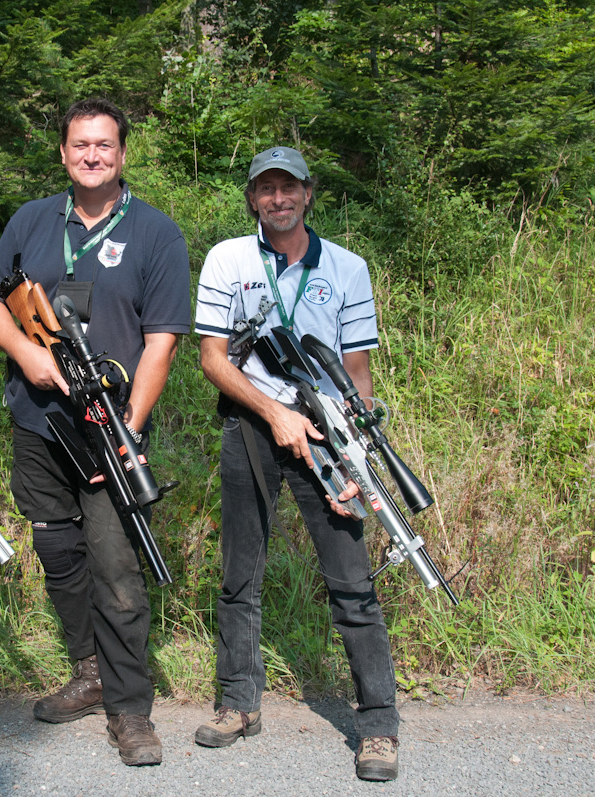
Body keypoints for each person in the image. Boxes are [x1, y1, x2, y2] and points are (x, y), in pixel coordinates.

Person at [0, 98, 190, 766]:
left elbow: (163, 341)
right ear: (62, 153)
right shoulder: (33, 219)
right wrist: (28, 353)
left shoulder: (156, 233)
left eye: (105, 145)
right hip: (37, 423)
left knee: (118, 564)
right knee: (59, 549)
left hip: (108, 423)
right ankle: (89, 669)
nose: (92, 155)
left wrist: (127, 427)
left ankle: (130, 709)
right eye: (80, 145)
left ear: (122, 154)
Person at [192, 146, 400, 781]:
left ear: (309, 193)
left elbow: (357, 371)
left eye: (289, 188)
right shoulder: (228, 258)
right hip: (251, 426)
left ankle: (378, 725)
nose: (278, 199)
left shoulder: (347, 268)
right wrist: (275, 414)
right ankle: (237, 703)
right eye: (266, 190)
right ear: (253, 198)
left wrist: (353, 455)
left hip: (328, 432)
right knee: (239, 573)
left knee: (351, 578)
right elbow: (213, 358)